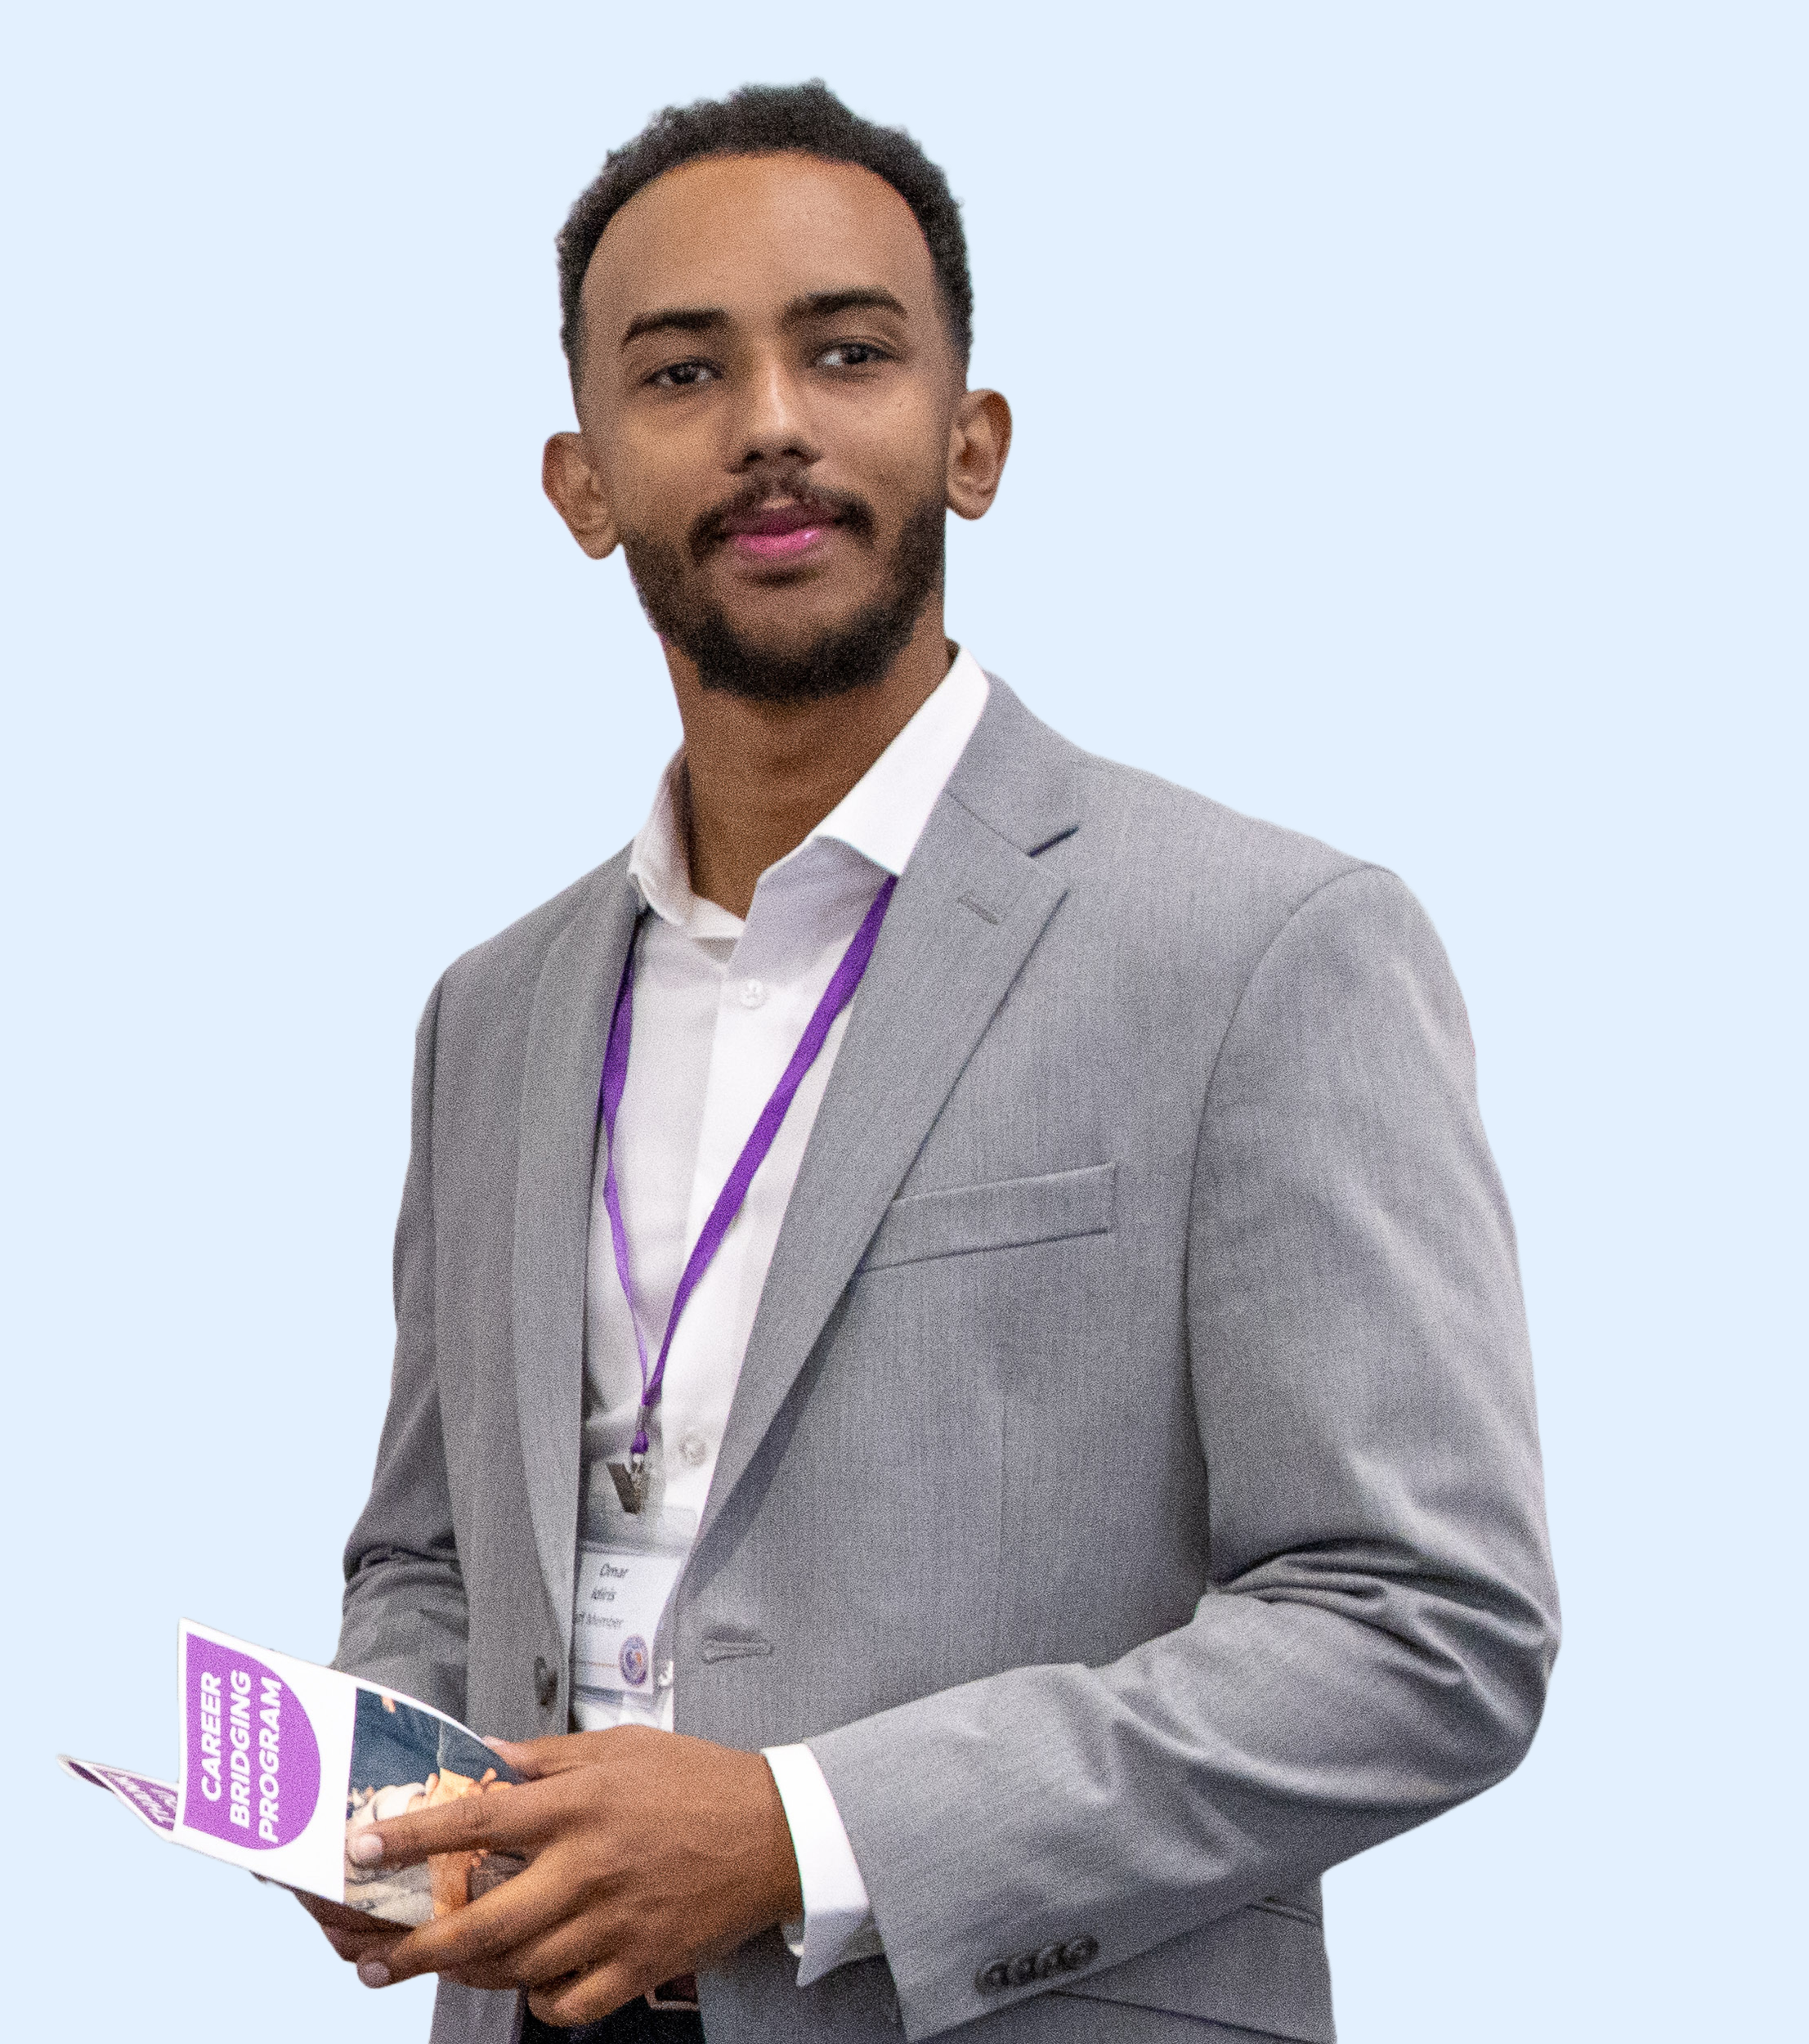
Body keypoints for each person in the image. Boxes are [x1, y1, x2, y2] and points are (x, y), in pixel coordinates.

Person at [302, 80, 1559, 2044]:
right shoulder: (496, 1009)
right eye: (682, 371)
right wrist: (400, 1803)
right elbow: (431, 1545)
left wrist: (802, 1831)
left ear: (969, 442)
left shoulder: (1258, 945)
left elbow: (1426, 1628)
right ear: (582, 482)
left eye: (849, 350)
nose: (772, 420)